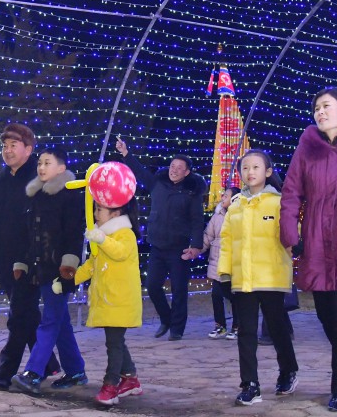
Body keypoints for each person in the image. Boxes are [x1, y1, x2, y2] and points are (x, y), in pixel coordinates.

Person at [279, 87, 337, 412]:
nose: (320, 112)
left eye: (327, 106)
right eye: (316, 107)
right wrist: (290, 230)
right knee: (324, 315)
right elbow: (291, 191)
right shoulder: (307, 148)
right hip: (317, 240)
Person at [0, 124, 60, 389]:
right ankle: (48, 364)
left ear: (29, 148)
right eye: (4, 146)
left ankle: (3, 372)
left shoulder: (39, 179)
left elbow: (49, 223)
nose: (8, 150)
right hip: (4, 261)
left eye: (14, 145)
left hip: (31, 262)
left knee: (18, 316)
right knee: (27, 315)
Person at [219, 150, 299, 406]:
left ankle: (288, 370)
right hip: (244, 280)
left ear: (267, 171)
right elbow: (227, 241)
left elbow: (290, 236)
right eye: (245, 168)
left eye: (255, 167)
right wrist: (225, 271)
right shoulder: (236, 205)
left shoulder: (279, 203)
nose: (249, 172)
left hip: (271, 277)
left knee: (276, 329)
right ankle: (250, 384)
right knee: (246, 332)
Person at [11, 148, 87, 395]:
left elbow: (73, 235)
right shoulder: (35, 196)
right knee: (60, 321)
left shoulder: (70, 196)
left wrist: (68, 268)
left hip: (60, 271)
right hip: (40, 269)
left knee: (50, 321)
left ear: (61, 168)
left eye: (47, 163)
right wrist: (22, 263)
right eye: (40, 163)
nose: (41, 167)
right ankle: (76, 371)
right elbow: (27, 236)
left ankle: (33, 373)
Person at [115, 137, 206, 340]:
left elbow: (197, 222)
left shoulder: (192, 194)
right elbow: (140, 172)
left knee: (179, 290)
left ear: (186, 172)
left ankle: (177, 330)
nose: (174, 170)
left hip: (179, 249)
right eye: (172, 166)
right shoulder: (158, 184)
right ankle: (166, 318)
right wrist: (126, 154)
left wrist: (196, 246)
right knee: (152, 286)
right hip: (157, 246)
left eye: (179, 167)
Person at [75, 195, 144, 406]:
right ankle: (130, 379)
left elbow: (120, 253)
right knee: (116, 341)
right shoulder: (102, 236)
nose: (95, 214)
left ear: (115, 213)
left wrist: (101, 240)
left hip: (120, 300)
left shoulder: (125, 234)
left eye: (99, 210)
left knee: (113, 344)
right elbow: (91, 265)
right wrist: (69, 280)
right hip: (108, 300)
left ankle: (110, 385)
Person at [199, 186, 240, 340]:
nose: (223, 197)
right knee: (216, 294)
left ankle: (237, 326)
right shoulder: (216, 216)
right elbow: (208, 236)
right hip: (217, 263)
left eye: (227, 196)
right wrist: (196, 250)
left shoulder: (240, 215)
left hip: (233, 264)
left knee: (234, 296)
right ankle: (220, 325)